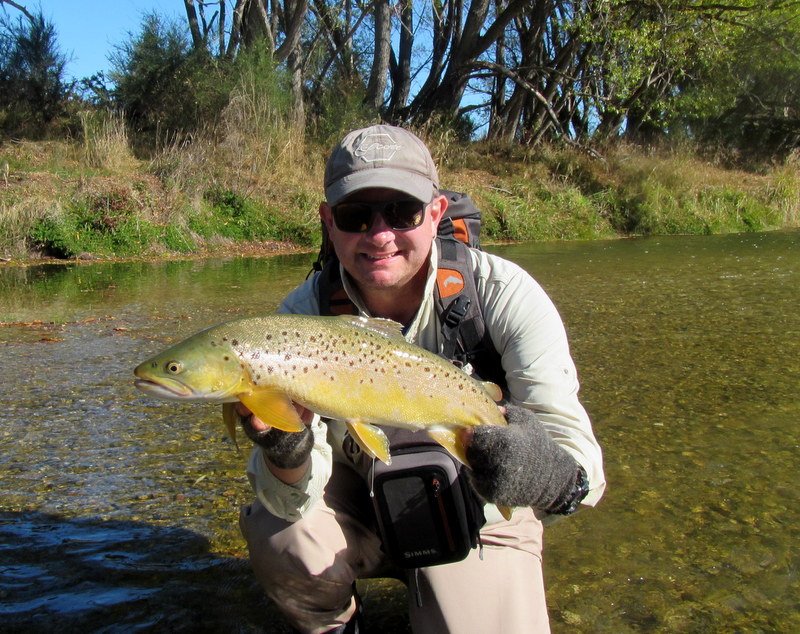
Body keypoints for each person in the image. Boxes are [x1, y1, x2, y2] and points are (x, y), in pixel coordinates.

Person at [235, 124, 605, 633]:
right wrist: (287, 450)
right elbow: (287, 501)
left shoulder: (503, 294)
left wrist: (540, 472)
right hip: (359, 508)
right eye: (355, 215)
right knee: (279, 532)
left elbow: (583, 472)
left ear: (435, 213)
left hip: (474, 515)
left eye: (403, 212)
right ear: (328, 221)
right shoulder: (300, 319)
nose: (379, 235)